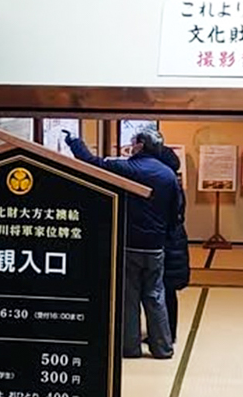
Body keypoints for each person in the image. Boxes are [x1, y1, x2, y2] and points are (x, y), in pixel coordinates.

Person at [63, 128, 180, 359]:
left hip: (130, 244)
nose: (131, 145)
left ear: (140, 145)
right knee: (156, 295)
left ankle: (130, 348)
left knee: (129, 297)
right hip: (156, 246)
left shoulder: (129, 169)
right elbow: (177, 212)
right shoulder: (168, 175)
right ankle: (164, 348)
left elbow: (90, 162)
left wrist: (74, 142)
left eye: (133, 142)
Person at [157, 145, 190, 341]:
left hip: (168, 243)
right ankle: (168, 332)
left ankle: (167, 333)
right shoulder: (173, 182)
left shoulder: (165, 184)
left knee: (165, 291)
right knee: (167, 292)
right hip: (176, 242)